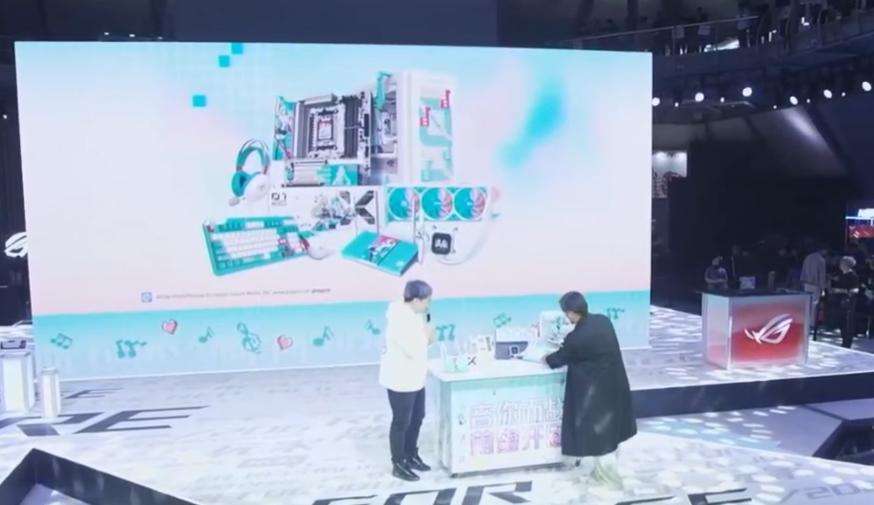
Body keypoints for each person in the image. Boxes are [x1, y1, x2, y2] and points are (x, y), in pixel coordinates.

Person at [544, 292, 637, 489]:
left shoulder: (576, 338)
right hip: (615, 387)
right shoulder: (603, 321)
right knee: (611, 434)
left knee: (601, 439)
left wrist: (544, 357)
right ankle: (605, 473)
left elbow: (557, 359)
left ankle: (609, 481)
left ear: (571, 312)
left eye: (566, 313)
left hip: (596, 395)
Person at [378, 280, 436, 481]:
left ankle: (411, 454)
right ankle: (398, 463)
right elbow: (413, 348)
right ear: (417, 300)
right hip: (400, 379)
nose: (428, 305)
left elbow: (426, 344)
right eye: (427, 300)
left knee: (418, 417)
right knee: (401, 421)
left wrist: (427, 334)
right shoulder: (399, 318)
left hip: (416, 377)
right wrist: (426, 334)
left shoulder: (414, 315)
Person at [828, 257, 860, 348]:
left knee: (847, 322)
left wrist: (840, 290)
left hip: (848, 302)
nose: (840, 265)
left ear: (847, 265)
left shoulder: (853, 276)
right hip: (839, 301)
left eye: (842, 263)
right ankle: (843, 340)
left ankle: (847, 342)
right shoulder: (841, 274)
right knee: (841, 321)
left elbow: (855, 290)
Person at [801, 244, 829, 336]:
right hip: (816, 284)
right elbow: (822, 275)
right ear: (823, 250)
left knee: (807, 304)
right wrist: (823, 288)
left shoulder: (808, 257)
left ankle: (806, 322)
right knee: (814, 305)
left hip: (806, 283)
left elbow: (803, 270)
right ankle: (812, 324)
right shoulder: (821, 260)